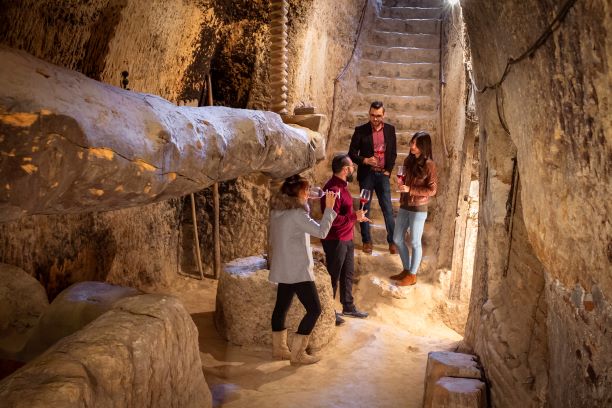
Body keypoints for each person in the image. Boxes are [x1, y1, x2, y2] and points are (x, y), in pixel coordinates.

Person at [269, 174, 337, 365]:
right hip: (297, 270)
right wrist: (329, 208)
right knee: (315, 309)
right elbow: (321, 232)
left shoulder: (277, 212)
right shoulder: (298, 215)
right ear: (297, 193)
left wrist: (305, 202)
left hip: (283, 267)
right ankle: (297, 354)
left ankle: (279, 350)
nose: (308, 193)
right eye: (306, 190)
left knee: (281, 308)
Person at [321, 154, 371, 325]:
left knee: (348, 274)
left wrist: (357, 217)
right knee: (333, 276)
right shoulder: (333, 190)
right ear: (345, 170)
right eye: (351, 167)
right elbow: (332, 220)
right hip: (335, 239)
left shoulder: (343, 186)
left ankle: (348, 306)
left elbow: (346, 214)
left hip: (347, 237)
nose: (353, 169)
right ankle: (328, 310)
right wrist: (353, 217)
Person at [348, 100, 397, 254]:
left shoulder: (390, 130)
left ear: (384, 115)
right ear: (369, 114)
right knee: (364, 208)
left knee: (388, 209)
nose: (375, 119)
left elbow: (393, 153)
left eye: (378, 116)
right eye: (372, 115)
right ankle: (366, 241)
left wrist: (388, 171)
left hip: (383, 175)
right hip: (366, 175)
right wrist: (365, 160)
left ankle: (393, 242)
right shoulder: (360, 130)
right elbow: (351, 153)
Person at [391, 131, 438, 286]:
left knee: (415, 242)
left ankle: (412, 275)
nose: (412, 146)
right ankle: (406, 269)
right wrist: (402, 186)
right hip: (405, 204)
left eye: (416, 144)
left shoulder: (429, 165)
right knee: (397, 238)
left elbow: (432, 190)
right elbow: (403, 179)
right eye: (412, 142)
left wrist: (410, 189)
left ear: (423, 146)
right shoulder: (408, 160)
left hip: (418, 207)